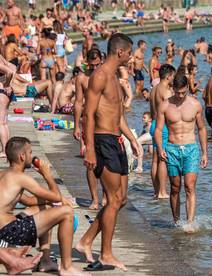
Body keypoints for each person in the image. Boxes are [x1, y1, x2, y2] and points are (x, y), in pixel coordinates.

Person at [79, 33, 141, 271]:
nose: (131, 57)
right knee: (113, 199)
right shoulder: (100, 76)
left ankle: (86, 241)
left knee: (121, 199)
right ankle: (105, 254)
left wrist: (132, 139)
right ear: (120, 52)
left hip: (116, 140)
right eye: (129, 53)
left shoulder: (115, 76)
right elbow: (89, 114)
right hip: (102, 141)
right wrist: (90, 149)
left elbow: (118, 114)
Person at [0, 137, 89, 276]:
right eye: (30, 152)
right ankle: (67, 266)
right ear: (22, 156)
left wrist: (49, 201)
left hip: (4, 231)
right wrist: (47, 175)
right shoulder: (21, 177)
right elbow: (57, 196)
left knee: (47, 207)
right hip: (8, 234)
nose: (32, 156)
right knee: (66, 211)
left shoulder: (4, 174)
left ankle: (46, 260)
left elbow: (29, 201)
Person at [154, 74, 208, 232]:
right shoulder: (164, 106)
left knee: (190, 186)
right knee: (175, 187)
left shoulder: (195, 104)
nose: (180, 96)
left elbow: (202, 128)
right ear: (173, 89)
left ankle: (190, 223)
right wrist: (160, 148)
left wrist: (205, 153)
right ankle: (177, 221)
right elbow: (158, 130)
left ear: (187, 89)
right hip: (172, 148)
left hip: (191, 148)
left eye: (183, 92)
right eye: (177, 92)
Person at [73, 48, 103, 210]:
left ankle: (105, 197)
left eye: (98, 65)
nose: (95, 68)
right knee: (90, 163)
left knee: (106, 161)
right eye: (92, 65)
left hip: (105, 122)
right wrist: (76, 125)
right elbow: (78, 102)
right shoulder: (82, 78)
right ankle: (95, 199)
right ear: (87, 63)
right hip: (88, 122)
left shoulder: (106, 76)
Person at [149, 64, 176, 199]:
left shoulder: (154, 89)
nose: (174, 79)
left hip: (153, 125)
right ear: (168, 76)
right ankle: (162, 192)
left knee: (155, 160)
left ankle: (156, 191)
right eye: (173, 76)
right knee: (162, 159)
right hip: (163, 126)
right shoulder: (165, 91)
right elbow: (171, 111)